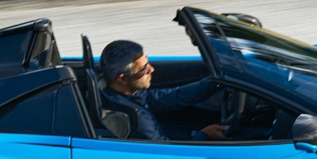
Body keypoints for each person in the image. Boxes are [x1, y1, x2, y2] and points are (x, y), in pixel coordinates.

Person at [98, 40, 229, 141]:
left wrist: (214, 82)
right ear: (121, 79)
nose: (151, 69)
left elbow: (174, 96)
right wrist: (205, 135)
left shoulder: (127, 92)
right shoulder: (136, 119)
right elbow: (168, 152)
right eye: (143, 69)